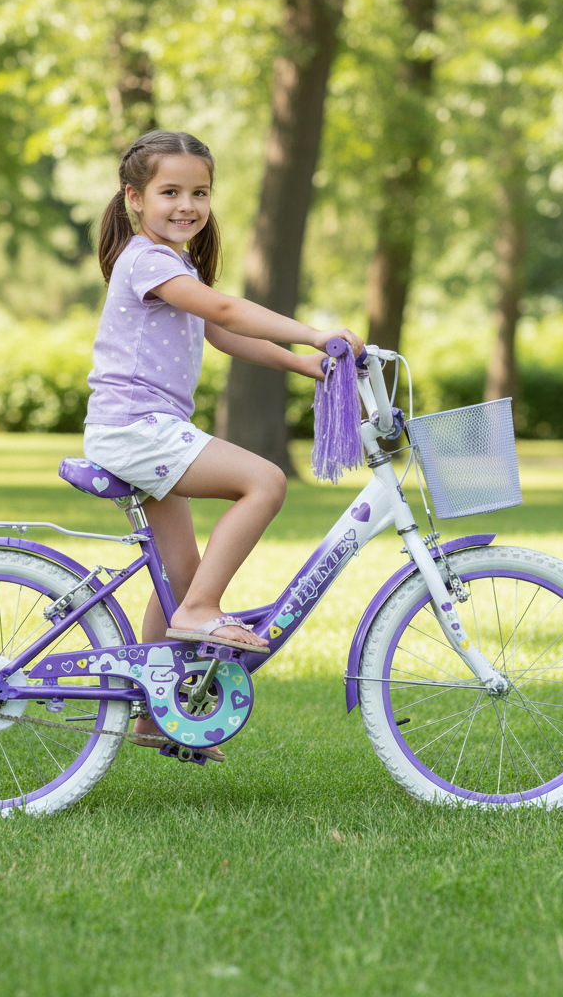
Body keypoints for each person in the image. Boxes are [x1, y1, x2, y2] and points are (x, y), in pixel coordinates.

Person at [85, 130, 363, 757]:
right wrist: (314, 333)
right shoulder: (147, 260)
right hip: (137, 429)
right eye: (170, 192)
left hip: (146, 430)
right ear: (134, 198)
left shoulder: (174, 263)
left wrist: (304, 365)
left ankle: (154, 714)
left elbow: (223, 335)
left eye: (200, 193)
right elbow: (230, 312)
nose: (187, 205)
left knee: (179, 578)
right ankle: (203, 609)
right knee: (264, 481)